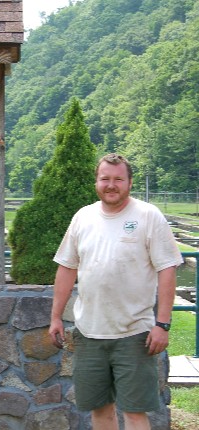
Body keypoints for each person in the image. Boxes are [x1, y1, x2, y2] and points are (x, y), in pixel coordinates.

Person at [49, 153, 183, 430]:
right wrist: (56, 317)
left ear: (129, 183)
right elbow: (66, 268)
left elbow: (167, 269)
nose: (111, 185)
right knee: (100, 410)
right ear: (97, 182)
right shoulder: (83, 217)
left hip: (134, 334)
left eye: (118, 179)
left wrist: (163, 324)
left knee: (135, 413)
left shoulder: (148, 216)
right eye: (105, 179)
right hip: (89, 333)